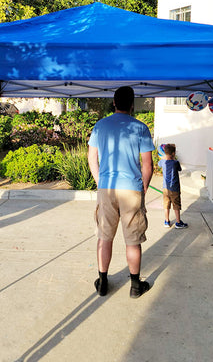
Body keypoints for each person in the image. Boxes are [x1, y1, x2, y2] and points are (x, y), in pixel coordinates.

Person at [88, 86, 155, 298]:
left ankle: (102, 283)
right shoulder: (141, 128)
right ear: (132, 104)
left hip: (107, 187)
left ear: (114, 103)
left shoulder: (100, 126)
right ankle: (135, 286)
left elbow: (92, 159)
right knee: (133, 239)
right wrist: (143, 188)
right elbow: (148, 165)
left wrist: (101, 183)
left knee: (104, 236)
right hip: (131, 189)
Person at [158, 144, 188, 229]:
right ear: (173, 153)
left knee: (166, 205)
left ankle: (167, 221)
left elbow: (159, 164)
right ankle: (178, 222)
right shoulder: (175, 163)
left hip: (165, 188)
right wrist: (174, 159)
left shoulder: (162, 162)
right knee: (176, 205)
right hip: (175, 188)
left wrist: (164, 157)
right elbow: (179, 169)